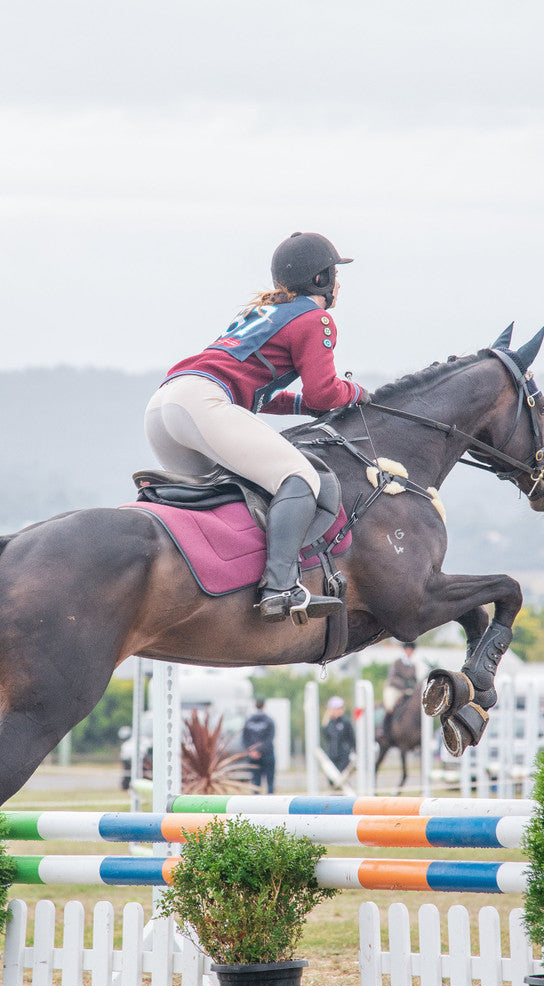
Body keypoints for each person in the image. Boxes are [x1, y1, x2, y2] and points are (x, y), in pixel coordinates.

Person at [145, 231, 370, 623]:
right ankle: (280, 586)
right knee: (299, 477)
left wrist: (301, 405)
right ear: (321, 280)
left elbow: (257, 394)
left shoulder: (263, 314)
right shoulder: (316, 318)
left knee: (220, 500)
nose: (339, 283)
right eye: (335, 273)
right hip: (203, 403)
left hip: (167, 406)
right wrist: (357, 392)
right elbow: (324, 393)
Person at [382, 641, 419, 740]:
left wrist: (413, 687)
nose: (409, 652)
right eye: (408, 650)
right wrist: (405, 686)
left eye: (411, 650)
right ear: (405, 650)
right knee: (390, 707)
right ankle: (384, 730)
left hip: (407, 691)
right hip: (394, 688)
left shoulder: (413, 666)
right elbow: (392, 678)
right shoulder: (398, 662)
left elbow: (414, 680)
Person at [241, 697, 276, 793]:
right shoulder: (269, 721)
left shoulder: (248, 721)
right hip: (267, 754)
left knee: (255, 783)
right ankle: (272, 804)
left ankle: (255, 806)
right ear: (264, 706)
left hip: (253, 756)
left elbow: (245, 739)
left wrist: (252, 751)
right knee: (270, 782)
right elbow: (270, 738)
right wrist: (261, 750)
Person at [322, 695, 355, 774]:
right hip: (332, 754)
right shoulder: (327, 723)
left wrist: (353, 750)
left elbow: (352, 738)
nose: (339, 711)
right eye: (336, 709)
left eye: (340, 708)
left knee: (342, 776)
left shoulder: (345, 722)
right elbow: (327, 738)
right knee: (332, 779)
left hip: (344, 755)